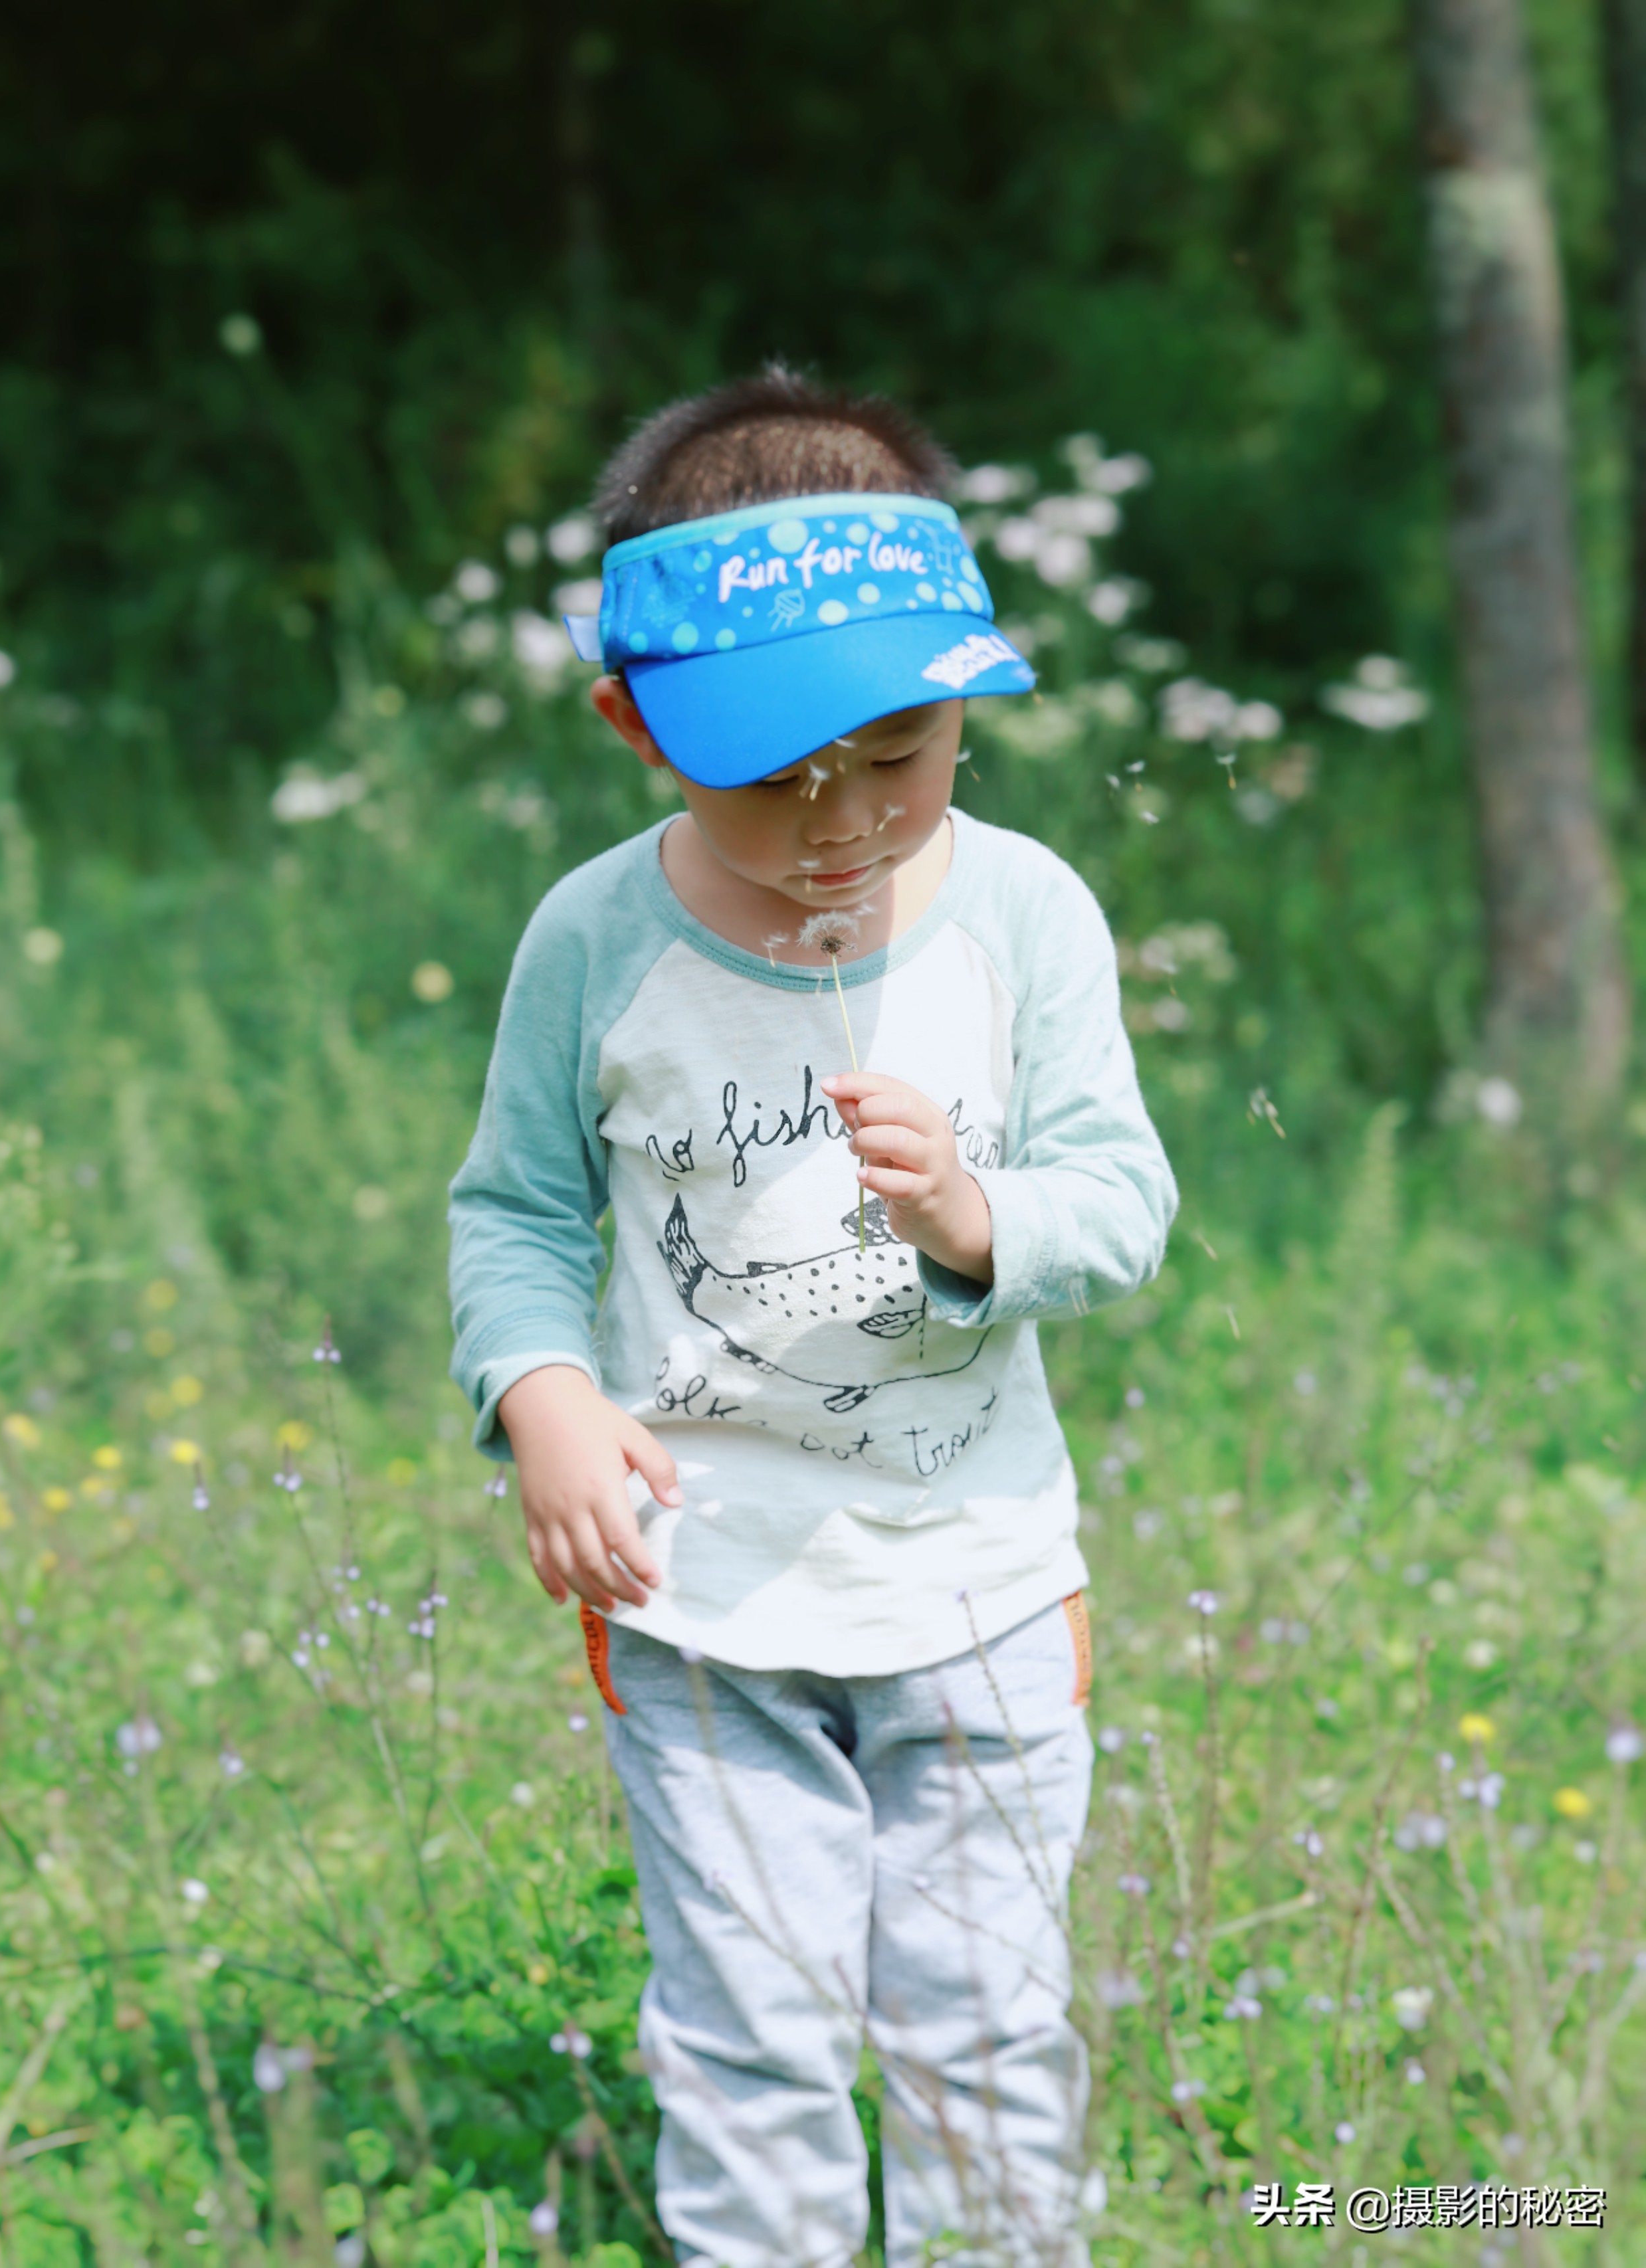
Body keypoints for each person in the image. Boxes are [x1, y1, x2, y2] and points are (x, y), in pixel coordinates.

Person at [449, 365, 1176, 2268]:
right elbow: (514, 1212)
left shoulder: (1024, 914)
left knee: (984, 2026)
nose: (839, 820)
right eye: (770, 774)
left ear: (966, 701)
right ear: (634, 724)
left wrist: (973, 1217)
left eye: (897, 755)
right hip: (704, 1606)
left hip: (980, 1596)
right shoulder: (596, 940)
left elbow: (1123, 1202)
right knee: (750, 2032)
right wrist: (542, 1394)